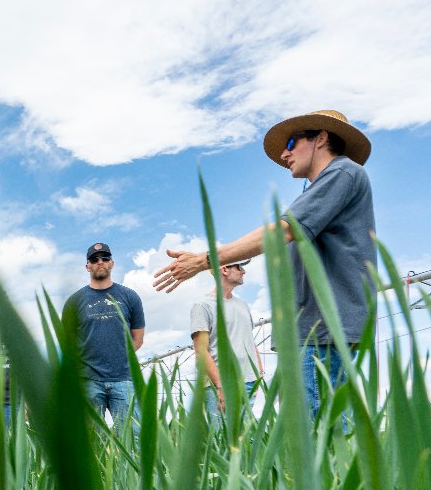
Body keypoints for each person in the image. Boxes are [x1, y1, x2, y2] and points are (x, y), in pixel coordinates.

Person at [153, 109, 375, 419]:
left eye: (292, 142)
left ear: (321, 138)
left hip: (325, 327)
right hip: (312, 327)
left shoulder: (342, 173)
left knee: (318, 431)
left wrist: (204, 261)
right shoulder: (317, 189)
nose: (284, 153)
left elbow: (283, 230)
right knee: (316, 429)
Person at [66, 242, 145, 431]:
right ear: (88, 266)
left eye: (105, 258)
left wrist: (118, 358)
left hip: (124, 378)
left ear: (112, 263)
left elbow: (138, 338)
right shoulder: (74, 302)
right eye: (94, 259)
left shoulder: (129, 296)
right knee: (92, 440)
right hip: (89, 381)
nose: (100, 262)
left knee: (132, 438)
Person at [190, 260, 262, 419]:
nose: (244, 271)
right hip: (222, 384)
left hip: (250, 383)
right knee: (223, 440)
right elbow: (201, 352)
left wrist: (259, 375)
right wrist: (220, 386)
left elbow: (250, 341)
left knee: (247, 440)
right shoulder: (203, 306)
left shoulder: (242, 305)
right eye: (239, 267)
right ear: (224, 269)